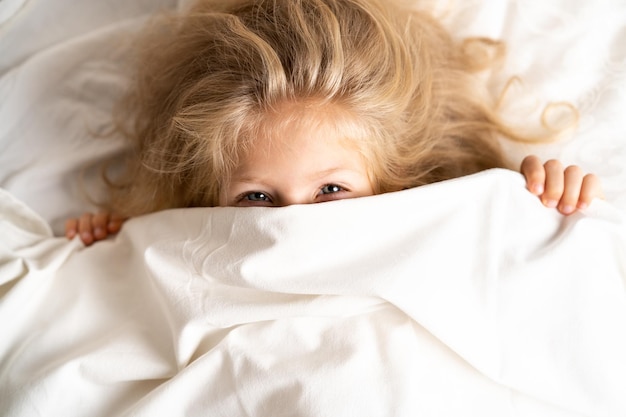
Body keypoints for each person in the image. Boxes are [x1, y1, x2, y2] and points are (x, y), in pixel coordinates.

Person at [65, 0, 603, 246]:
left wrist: (539, 196)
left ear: (394, 177)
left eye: (331, 189)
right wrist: (116, 240)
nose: (295, 223)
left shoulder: (433, 206)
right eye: (256, 197)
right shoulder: (192, 220)